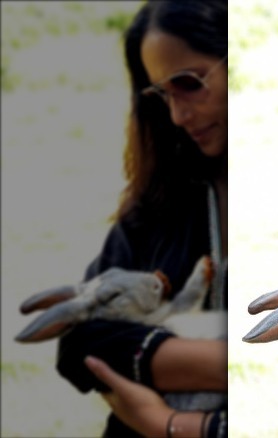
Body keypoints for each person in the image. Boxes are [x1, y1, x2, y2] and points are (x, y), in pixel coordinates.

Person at [51, 1, 228, 437]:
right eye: (163, 93)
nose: (177, 115)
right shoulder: (164, 198)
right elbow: (78, 345)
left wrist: (167, 422)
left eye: (189, 83)